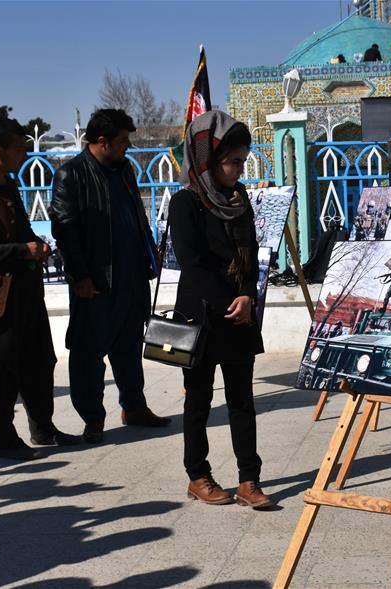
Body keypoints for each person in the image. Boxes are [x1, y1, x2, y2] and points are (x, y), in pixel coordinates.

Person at [0, 117, 79, 460]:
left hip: (25, 292)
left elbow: (21, 231)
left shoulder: (8, 187)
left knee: (39, 362)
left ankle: (43, 429)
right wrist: (22, 251)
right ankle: (5, 439)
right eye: (19, 148)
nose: (24, 154)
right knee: (2, 369)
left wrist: (36, 245)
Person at [169, 110, 273, 508]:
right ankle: (198, 475)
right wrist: (231, 301)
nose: (238, 170)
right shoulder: (186, 203)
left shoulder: (239, 199)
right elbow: (191, 264)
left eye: (243, 162)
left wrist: (247, 295)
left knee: (242, 399)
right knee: (197, 401)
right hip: (202, 316)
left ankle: (250, 480)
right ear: (208, 160)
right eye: (232, 162)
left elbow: (250, 255)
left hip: (239, 315)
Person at [51, 109, 170, 444]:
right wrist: (81, 276)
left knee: (130, 346)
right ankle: (93, 418)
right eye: (122, 141)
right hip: (97, 281)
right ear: (101, 141)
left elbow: (137, 215)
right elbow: (65, 231)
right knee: (89, 351)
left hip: (131, 276)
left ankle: (134, 407)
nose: (127, 147)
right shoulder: (70, 175)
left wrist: (149, 250)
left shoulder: (124, 170)